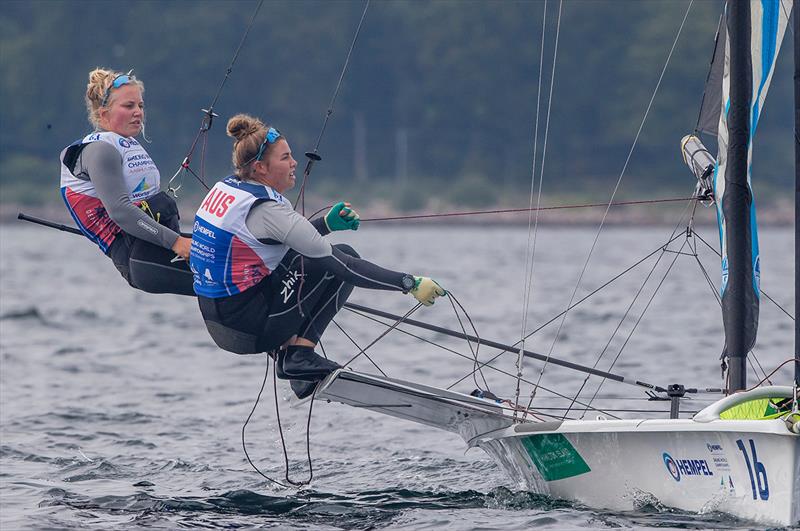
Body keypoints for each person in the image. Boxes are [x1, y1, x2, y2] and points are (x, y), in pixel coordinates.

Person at [190, 114, 445, 397]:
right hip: (248, 329)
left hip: (219, 321)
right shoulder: (269, 211)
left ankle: (295, 363)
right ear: (261, 167)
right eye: (285, 157)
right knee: (340, 258)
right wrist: (407, 283)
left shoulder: (229, 189)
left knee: (311, 259)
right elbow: (342, 266)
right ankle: (299, 356)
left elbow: (273, 244)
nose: (294, 163)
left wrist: (325, 225)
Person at [59, 67, 194, 296]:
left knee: (241, 252)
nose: (138, 112)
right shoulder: (100, 150)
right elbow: (120, 211)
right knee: (240, 278)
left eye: (140, 106)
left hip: (155, 245)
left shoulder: (126, 144)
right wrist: (177, 243)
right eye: (128, 106)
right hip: (139, 258)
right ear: (103, 114)